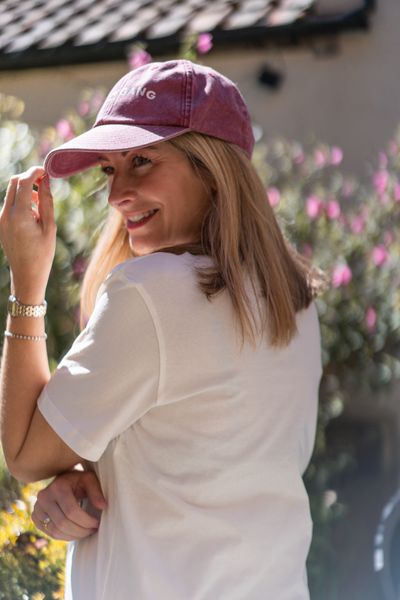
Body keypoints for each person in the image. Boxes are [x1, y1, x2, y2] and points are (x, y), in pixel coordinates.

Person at [0, 59, 323, 600]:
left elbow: (26, 455)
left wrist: (26, 285)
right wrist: (95, 475)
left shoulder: (151, 293)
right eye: (109, 169)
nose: (116, 194)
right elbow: (204, 458)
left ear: (213, 168)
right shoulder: (296, 302)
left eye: (142, 160)